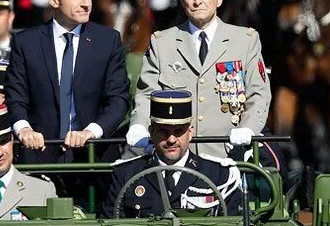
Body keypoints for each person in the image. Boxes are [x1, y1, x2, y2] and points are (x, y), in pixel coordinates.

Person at [128, 0, 269, 160]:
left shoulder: (245, 40)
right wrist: (139, 125)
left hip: (228, 154)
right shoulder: (162, 42)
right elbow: (147, 95)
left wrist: (249, 129)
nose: (197, 0)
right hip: (176, 156)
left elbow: (259, 94)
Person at [5, 0, 130, 163]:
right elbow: (15, 97)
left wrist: (91, 132)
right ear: (54, 0)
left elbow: (118, 100)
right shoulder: (26, 43)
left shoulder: (107, 41)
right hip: (39, 154)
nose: (86, 3)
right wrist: (24, 129)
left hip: (92, 156)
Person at [100, 89, 240, 219]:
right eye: (164, 132)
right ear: (151, 132)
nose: (171, 140)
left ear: (190, 133)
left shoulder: (218, 176)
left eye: (178, 131)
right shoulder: (127, 174)